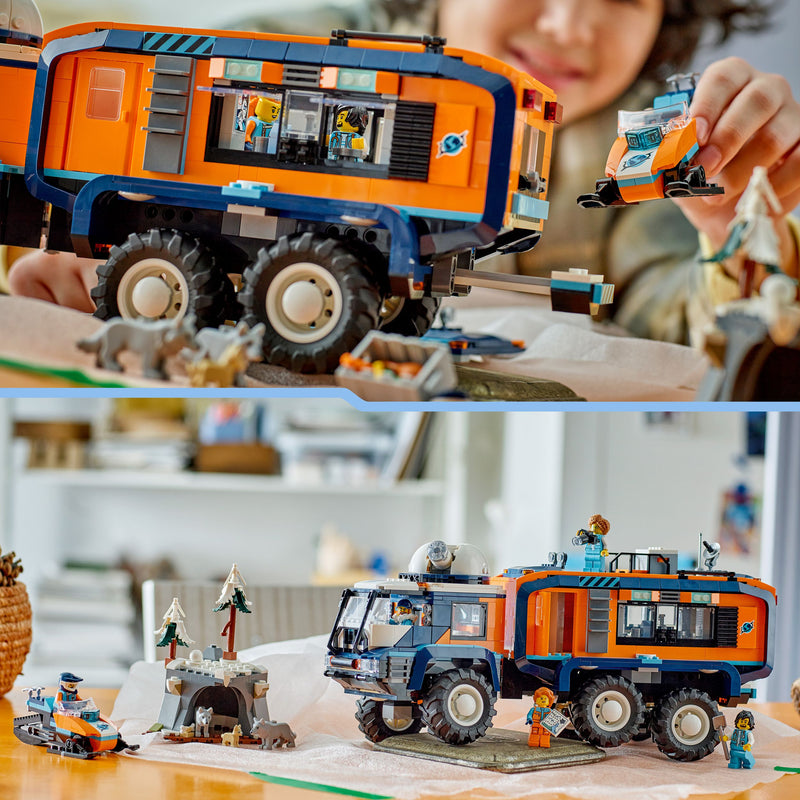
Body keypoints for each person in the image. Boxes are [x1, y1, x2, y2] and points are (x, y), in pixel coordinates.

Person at [7, 0, 800, 346]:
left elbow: (671, 310)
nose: (570, 24)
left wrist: (733, 234)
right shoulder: (287, 48)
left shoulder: (647, 143)